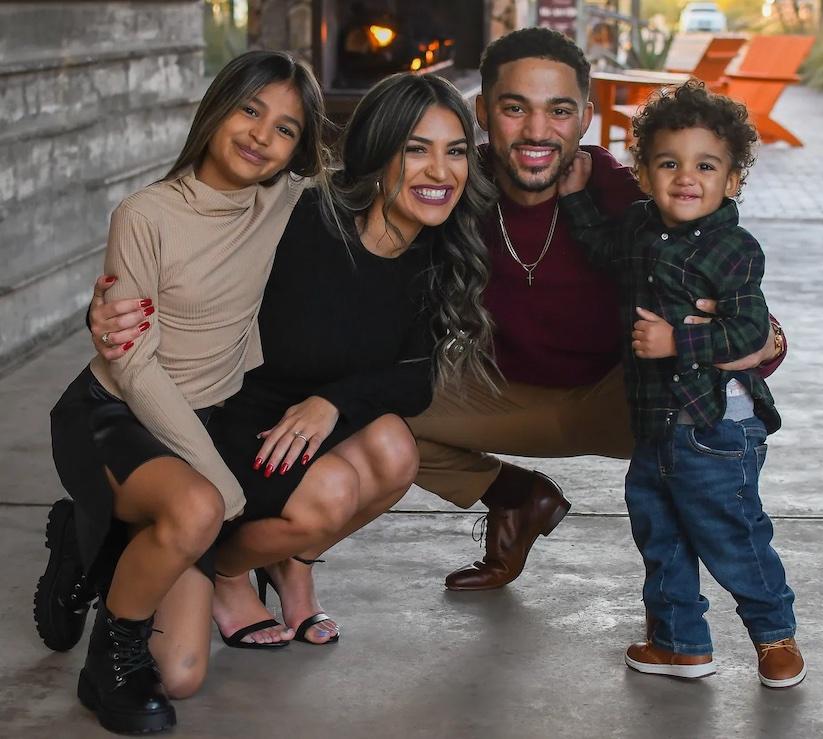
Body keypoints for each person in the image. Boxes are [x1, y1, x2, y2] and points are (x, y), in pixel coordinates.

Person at [62, 72, 495, 658]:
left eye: (457, 152)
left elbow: (416, 379)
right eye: (416, 149)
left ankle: (289, 563)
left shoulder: (436, 246)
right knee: (182, 669)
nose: (440, 173)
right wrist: (116, 307)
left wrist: (331, 403)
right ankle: (222, 568)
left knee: (396, 451)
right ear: (375, 152)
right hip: (227, 421)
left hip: (305, 422)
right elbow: (201, 250)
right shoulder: (300, 215)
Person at [406, 26, 786, 591]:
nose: (537, 131)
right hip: (506, 391)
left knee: (700, 486)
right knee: (369, 413)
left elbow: (748, 314)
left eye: (559, 110)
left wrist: (767, 341)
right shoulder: (453, 181)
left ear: (585, 116)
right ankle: (516, 498)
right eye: (515, 108)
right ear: (482, 111)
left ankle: (695, 624)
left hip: (630, 399)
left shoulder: (631, 195)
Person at [40, 50, 326, 734]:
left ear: (297, 150)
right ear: (217, 107)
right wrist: (216, 481)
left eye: (287, 128)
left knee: (184, 675)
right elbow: (134, 367)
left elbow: (382, 178)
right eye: (251, 109)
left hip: (198, 422)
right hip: (112, 412)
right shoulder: (144, 214)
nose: (262, 134)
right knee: (200, 504)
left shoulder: (288, 203)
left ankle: (95, 541)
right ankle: (106, 663)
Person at [557, 79, 804, 688]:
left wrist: (678, 341)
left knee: (732, 536)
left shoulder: (733, 249)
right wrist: (573, 196)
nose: (686, 177)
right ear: (643, 173)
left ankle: (775, 636)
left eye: (706, 165)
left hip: (718, 427)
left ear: (733, 180)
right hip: (657, 423)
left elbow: (749, 333)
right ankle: (680, 642)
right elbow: (595, 248)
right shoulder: (638, 229)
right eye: (669, 163)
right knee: (659, 534)